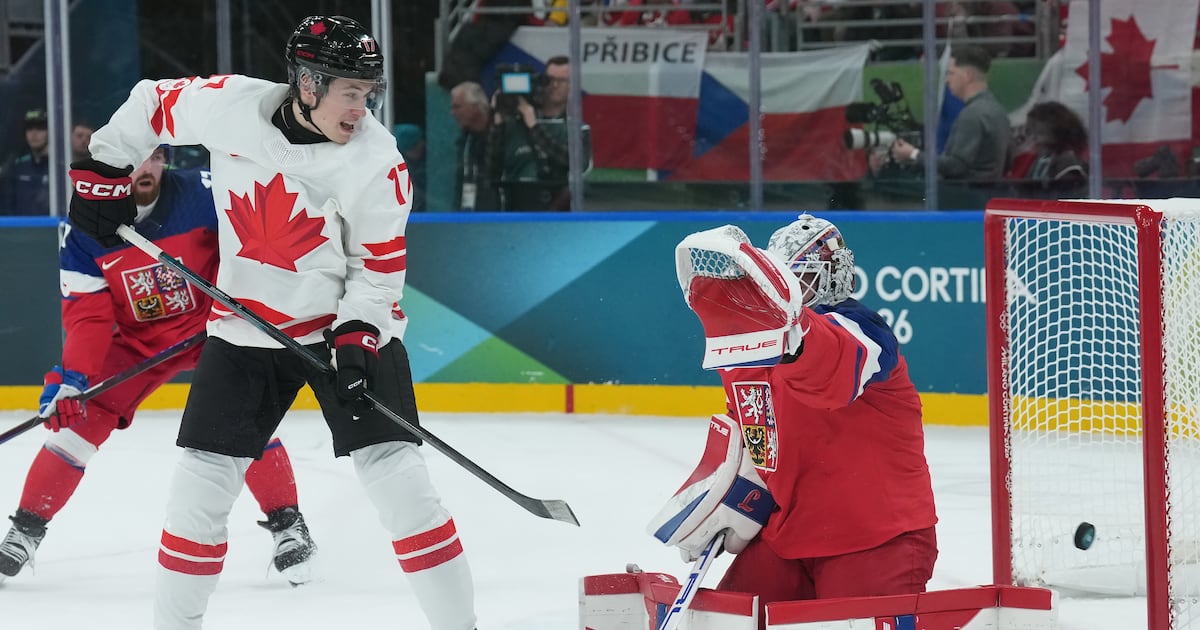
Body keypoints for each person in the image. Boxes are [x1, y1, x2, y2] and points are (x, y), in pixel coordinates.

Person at [65, 15, 477, 629]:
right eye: (351, 92)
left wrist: (360, 336)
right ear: (307, 84)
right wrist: (104, 169)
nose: (363, 109)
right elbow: (152, 101)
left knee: (403, 488)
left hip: (340, 333)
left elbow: (379, 269)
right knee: (197, 495)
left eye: (370, 93)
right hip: (243, 329)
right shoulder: (231, 105)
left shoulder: (378, 161)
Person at [0, 147, 318, 587]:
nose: (142, 170)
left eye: (151, 158)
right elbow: (89, 316)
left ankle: (288, 525)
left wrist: (246, 305)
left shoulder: (205, 192)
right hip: (136, 343)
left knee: (243, 416)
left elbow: (257, 246)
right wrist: (73, 379)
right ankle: (24, 531)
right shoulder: (85, 227)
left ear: (163, 158)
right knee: (79, 422)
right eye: (130, 162)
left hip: (214, 328)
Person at [656, 215, 938, 629]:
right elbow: (753, 439)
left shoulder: (862, 329)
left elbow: (831, 375)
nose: (795, 293)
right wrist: (726, 498)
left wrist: (791, 336)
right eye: (787, 281)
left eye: (803, 279)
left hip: (876, 540)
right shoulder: (746, 356)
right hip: (787, 537)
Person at [487, 55, 591, 211]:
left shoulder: (577, 128)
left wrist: (534, 126)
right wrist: (498, 121)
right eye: (549, 79)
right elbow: (491, 169)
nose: (554, 85)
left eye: (562, 81)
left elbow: (574, 163)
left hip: (556, 212)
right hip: (514, 210)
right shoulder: (513, 124)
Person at [892, 45, 1010, 181]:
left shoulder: (972, 115)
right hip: (987, 194)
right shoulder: (998, 111)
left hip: (965, 197)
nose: (946, 80)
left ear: (968, 76)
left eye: (951, 73)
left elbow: (956, 166)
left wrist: (913, 154)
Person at [1007, 100, 1087, 197]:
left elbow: (1067, 198)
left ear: (1058, 133)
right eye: (1030, 132)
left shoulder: (1068, 162)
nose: (1033, 138)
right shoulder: (1040, 160)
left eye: (1039, 133)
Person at [450, 81, 500, 211]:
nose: (452, 113)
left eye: (457, 107)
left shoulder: (499, 133)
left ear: (475, 106)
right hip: (468, 212)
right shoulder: (466, 139)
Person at [1, 108, 50, 215]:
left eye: (40, 128)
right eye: (30, 128)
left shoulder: (58, 167)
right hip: (21, 230)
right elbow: (8, 205)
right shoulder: (17, 167)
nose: (34, 134)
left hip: (50, 229)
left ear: (49, 132)